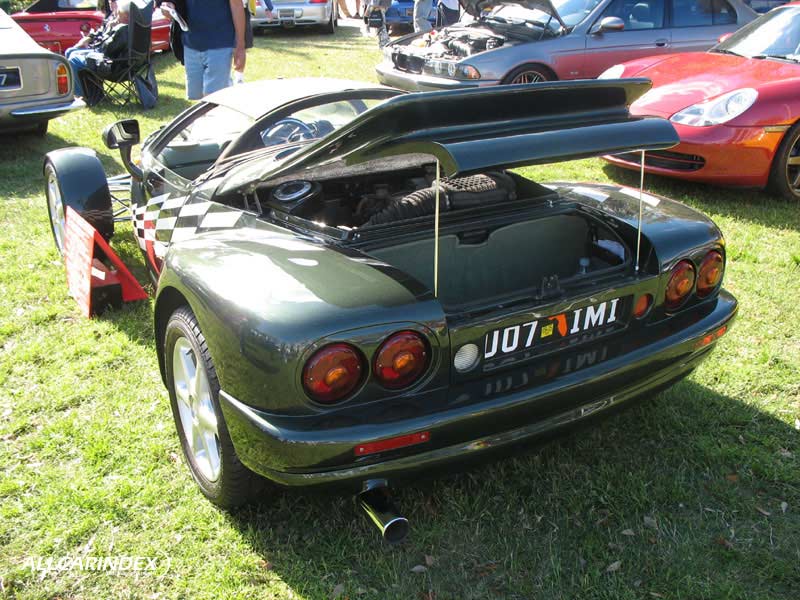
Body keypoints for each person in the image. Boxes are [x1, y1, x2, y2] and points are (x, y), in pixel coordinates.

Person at [160, 0, 247, 100]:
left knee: (214, 99)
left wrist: (240, 46)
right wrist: (168, 6)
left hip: (220, 43)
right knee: (197, 97)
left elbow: (236, 5)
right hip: (190, 43)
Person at [66, 0, 130, 98]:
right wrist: (89, 38)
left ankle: (80, 95)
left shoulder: (123, 29)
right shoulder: (113, 19)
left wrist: (111, 30)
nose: (110, 3)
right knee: (70, 51)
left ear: (126, 15)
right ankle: (90, 91)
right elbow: (100, 33)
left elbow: (109, 50)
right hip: (107, 57)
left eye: (113, 1)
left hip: (111, 65)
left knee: (73, 59)